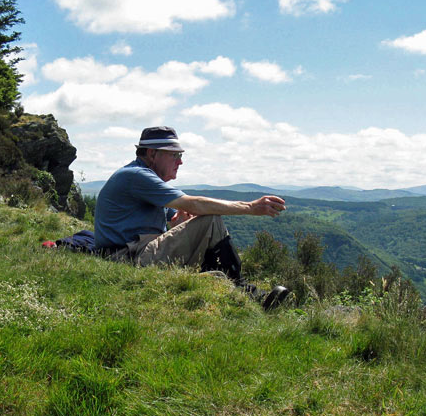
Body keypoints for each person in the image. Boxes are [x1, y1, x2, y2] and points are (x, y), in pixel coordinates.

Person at [94, 126, 290, 309]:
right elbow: (194, 204)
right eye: (174, 155)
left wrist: (181, 224)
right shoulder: (136, 175)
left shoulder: (146, 180)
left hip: (134, 252)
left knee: (207, 224)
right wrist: (250, 207)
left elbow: (181, 218)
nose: (180, 161)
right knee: (212, 220)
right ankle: (244, 291)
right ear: (152, 154)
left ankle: (227, 287)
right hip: (128, 257)